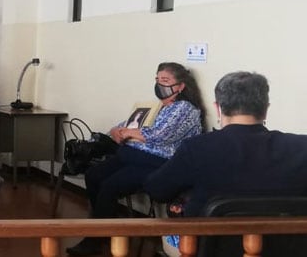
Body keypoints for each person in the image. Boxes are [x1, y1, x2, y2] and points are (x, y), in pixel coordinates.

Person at [66, 62, 207, 256]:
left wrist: (128, 133)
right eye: (157, 80)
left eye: (165, 80)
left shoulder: (185, 109)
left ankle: (94, 239)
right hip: (132, 155)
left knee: (109, 187)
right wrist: (117, 131)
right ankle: (105, 224)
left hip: (157, 163)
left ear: (181, 86)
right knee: (93, 175)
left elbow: (160, 135)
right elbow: (128, 124)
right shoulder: (157, 107)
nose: (160, 84)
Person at [144, 71, 307, 217]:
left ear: (218, 108)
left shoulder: (197, 148)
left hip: (210, 241)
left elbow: (157, 190)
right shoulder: (301, 147)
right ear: (265, 109)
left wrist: (186, 194)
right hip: (287, 241)